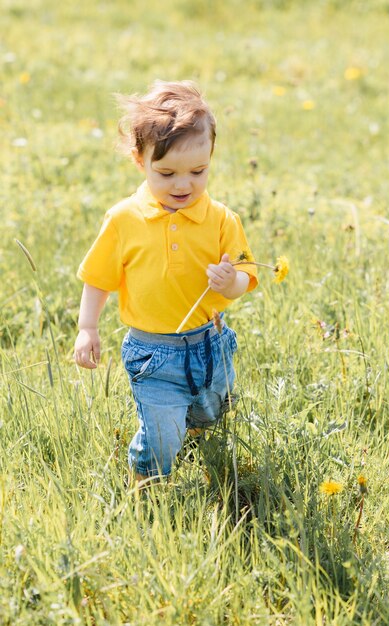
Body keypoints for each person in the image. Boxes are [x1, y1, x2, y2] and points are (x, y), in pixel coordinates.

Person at [74, 80, 258, 484]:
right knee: (162, 433)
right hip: (153, 352)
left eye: (198, 171)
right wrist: (88, 327)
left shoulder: (222, 219)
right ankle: (147, 479)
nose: (182, 185)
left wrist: (231, 283)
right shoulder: (124, 219)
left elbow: (247, 274)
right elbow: (98, 277)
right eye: (167, 172)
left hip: (211, 341)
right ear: (140, 161)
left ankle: (190, 430)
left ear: (211, 157)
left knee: (211, 412)